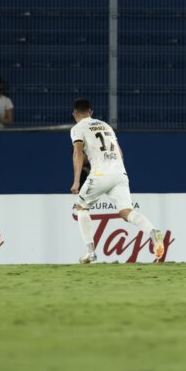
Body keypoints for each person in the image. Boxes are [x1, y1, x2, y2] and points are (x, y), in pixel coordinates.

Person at [69, 99, 164, 264]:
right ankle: (153, 232)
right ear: (91, 112)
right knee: (126, 212)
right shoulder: (106, 125)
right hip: (119, 173)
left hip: (100, 174)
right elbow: (119, 153)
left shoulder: (78, 128)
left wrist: (76, 181)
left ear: (75, 114)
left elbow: (77, 152)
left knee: (81, 207)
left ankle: (90, 252)